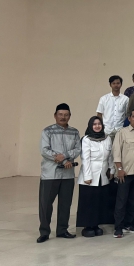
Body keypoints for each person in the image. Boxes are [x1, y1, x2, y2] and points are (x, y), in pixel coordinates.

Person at [38, 103, 81, 243]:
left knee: (65, 204)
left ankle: (62, 230)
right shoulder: (47, 131)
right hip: (50, 174)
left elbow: (77, 149)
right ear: (55, 115)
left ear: (70, 116)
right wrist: (63, 160)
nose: (63, 117)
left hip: (68, 175)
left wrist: (66, 156)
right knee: (46, 204)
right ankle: (44, 232)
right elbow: (44, 150)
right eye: (60, 114)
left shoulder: (74, 132)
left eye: (66, 115)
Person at [112, 109, 134, 238]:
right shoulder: (122, 132)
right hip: (125, 173)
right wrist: (119, 169)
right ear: (129, 118)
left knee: (133, 201)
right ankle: (118, 228)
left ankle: (128, 224)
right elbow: (116, 152)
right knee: (121, 201)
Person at [76, 117, 114, 237]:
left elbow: (110, 156)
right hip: (89, 175)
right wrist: (87, 176)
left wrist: (112, 170)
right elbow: (85, 159)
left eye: (99, 124)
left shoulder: (107, 138)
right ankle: (88, 226)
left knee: (99, 201)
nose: (97, 126)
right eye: (94, 124)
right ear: (90, 126)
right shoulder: (86, 139)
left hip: (103, 175)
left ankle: (96, 224)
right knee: (88, 202)